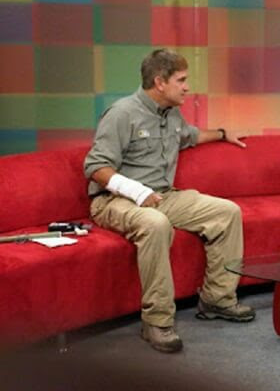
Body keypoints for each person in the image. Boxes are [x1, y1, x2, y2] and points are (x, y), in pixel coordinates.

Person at [84, 49, 255, 353]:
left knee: (227, 212)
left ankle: (217, 299)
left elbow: (189, 136)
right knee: (156, 224)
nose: (187, 87)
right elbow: (96, 168)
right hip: (115, 201)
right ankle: (157, 321)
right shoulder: (121, 114)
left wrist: (222, 133)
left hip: (163, 196)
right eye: (182, 80)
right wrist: (137, 192)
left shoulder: (171, 113)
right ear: (160, 82)